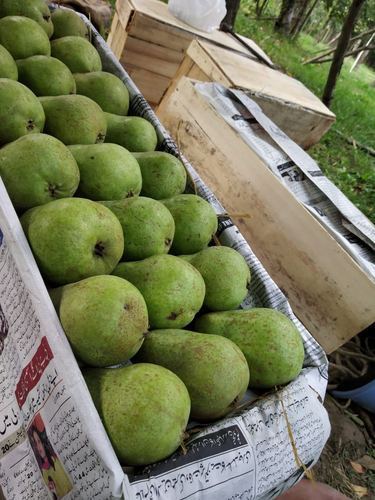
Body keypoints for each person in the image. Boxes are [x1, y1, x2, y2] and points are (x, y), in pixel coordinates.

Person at [29, 424, 72, 499]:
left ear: (43, 443)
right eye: (35, 444)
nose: (38, 447)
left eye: (39, 441)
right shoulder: (43, 474)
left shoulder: (57, 460)